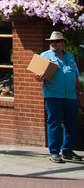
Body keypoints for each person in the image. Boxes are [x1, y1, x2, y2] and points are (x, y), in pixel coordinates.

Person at [36, 31, 83, 163]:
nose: (54, 44)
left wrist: (79, 94)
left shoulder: (70, 57)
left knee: (71, 123)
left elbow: (75, 77)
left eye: (56, 42)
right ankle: (54, 151)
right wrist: (40, 76)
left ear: (63, 43)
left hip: (70, 96)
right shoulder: (44, 56)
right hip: (53, 95)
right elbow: (37, 78)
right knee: (54, 123)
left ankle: (67, 150)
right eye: (52, 42)